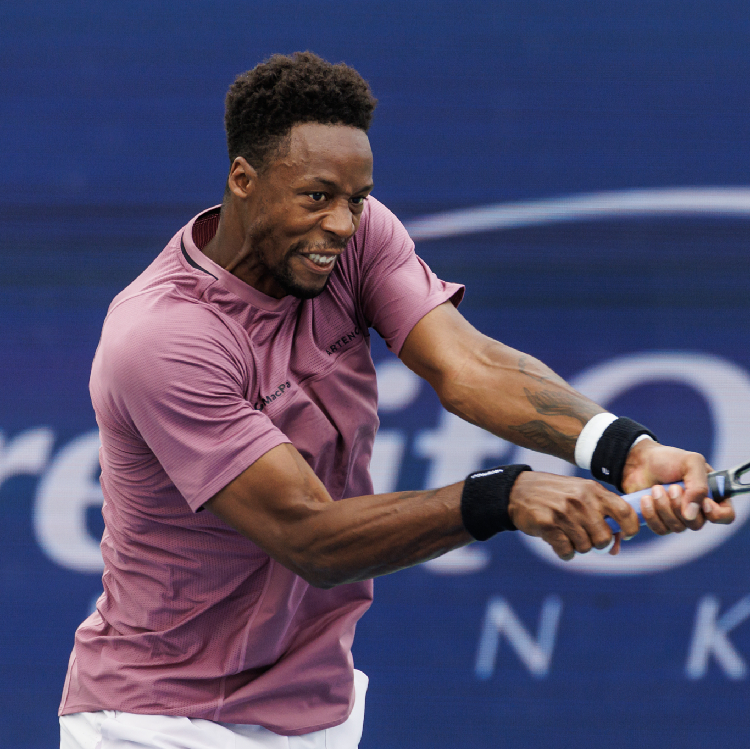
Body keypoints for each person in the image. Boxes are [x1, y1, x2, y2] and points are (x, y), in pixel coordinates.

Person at [58, 52, 734, 749]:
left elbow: (468, 365)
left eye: (356, 199)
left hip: (317, 710)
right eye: (316, 196)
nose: (344, 223)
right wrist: (502, 497)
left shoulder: (354, 239)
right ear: (243, 180)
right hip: (159, 722)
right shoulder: (165, 338)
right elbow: (310, 537)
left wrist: (627, 449)